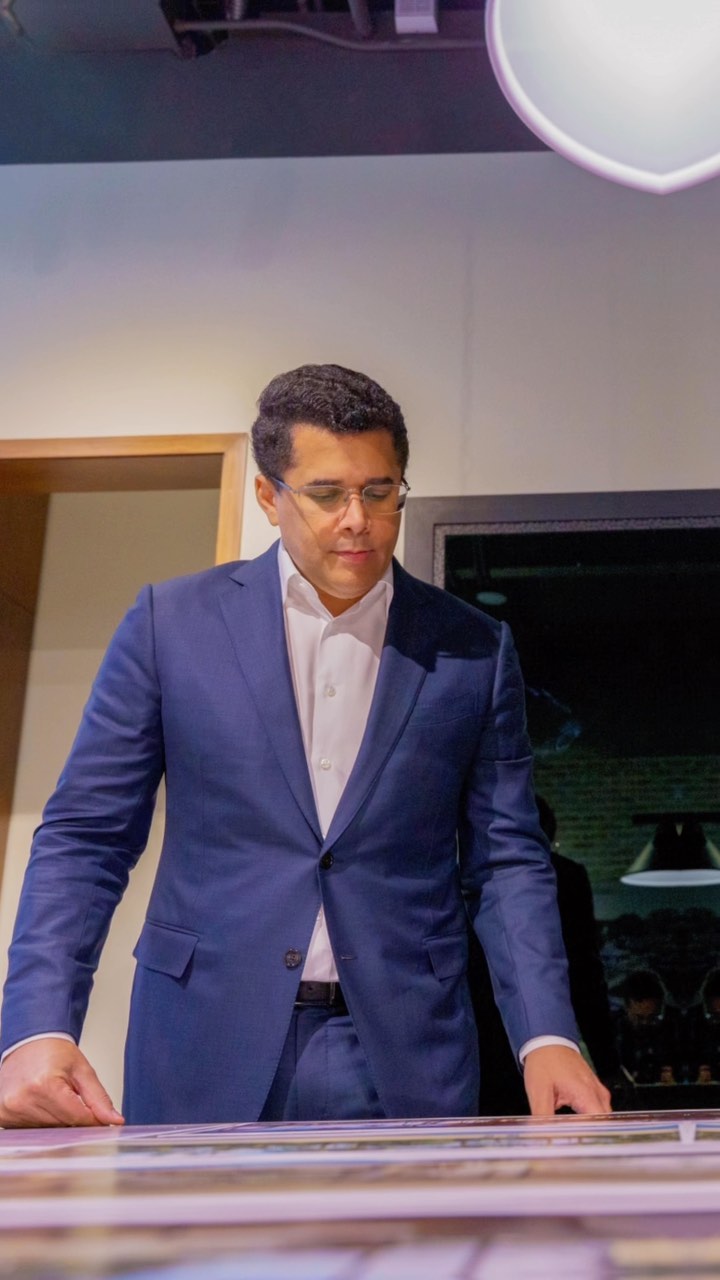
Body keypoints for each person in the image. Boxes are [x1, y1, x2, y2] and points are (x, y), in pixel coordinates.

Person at [0, 364, 610, 1127]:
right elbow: (87, 837)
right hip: (202, 1035)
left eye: (380, 492)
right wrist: (36, 1027)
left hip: (403, 1043)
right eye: (327, 494)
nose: (358, 520)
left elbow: (507, 858)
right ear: (269, 495)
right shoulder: (170, 626)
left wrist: (547, 1035)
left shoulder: (473, 649)